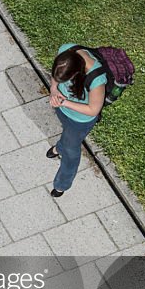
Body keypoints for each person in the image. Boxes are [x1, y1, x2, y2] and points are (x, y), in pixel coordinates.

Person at [47, 45, 107, 197]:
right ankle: (60, 147)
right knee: (67, 137)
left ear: (75, 73)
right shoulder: (66, 51)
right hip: (62, 109)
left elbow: (93, 110)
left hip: (80, 120)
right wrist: (54, 89)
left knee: (71, 152)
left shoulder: (96, 79)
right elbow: (55, 76)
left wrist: (64, 102)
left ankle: (62, 184)